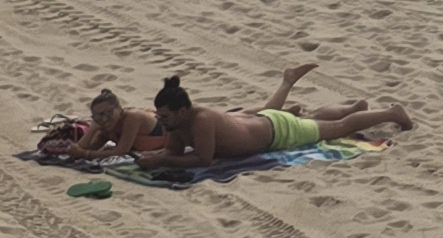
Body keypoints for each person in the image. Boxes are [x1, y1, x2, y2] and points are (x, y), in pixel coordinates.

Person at [132, 70, 415, 168]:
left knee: (338, 129)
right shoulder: (177, 122)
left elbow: (203, 159)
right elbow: (173, 150)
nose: (161, 121)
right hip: (263, 122)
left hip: (277, 133)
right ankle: (354, 107)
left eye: (165, 116)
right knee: (314, 119)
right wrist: (158, 155)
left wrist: (163, 160)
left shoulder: (201, 120)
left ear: (182, 111)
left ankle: (392, 113)